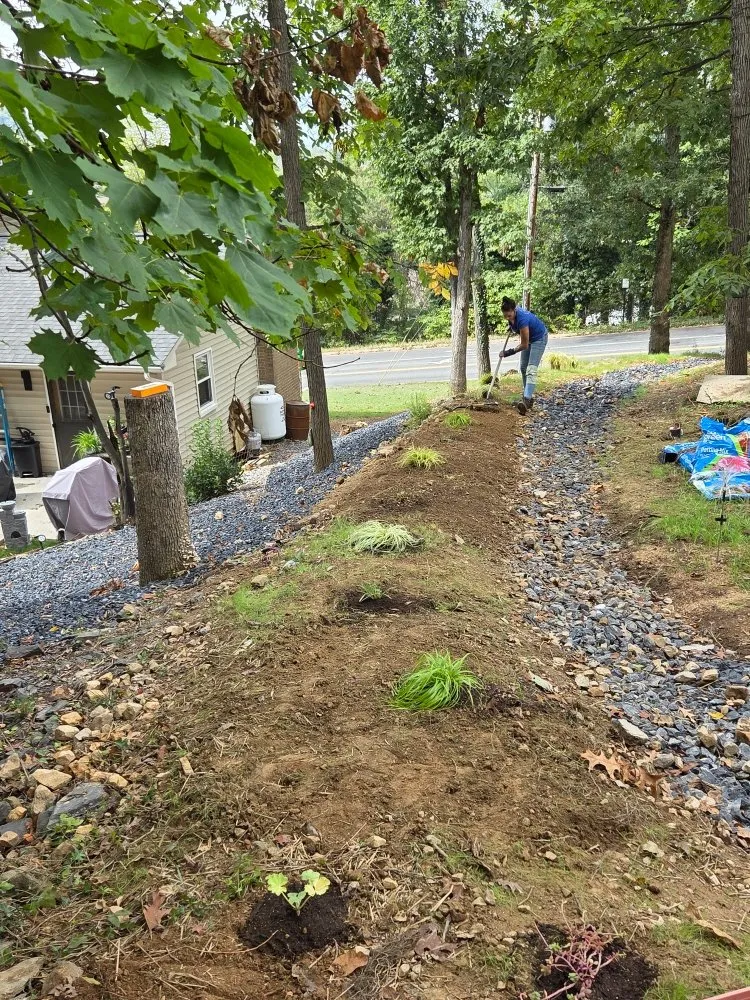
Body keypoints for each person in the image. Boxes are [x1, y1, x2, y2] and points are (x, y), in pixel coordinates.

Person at [500, 296, 549, 415]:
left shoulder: (522, 320)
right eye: (505, 316)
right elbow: (513, 322)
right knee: (523, 368)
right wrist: (511, 325)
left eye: (509, 316)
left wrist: (508, 352)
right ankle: (528, 397)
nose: (508, 318)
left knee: (531, 369)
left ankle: (526, 399)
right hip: (530, 339)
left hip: (539, 338)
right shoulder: (513, 313)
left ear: (514, 311)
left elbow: (524, 345)